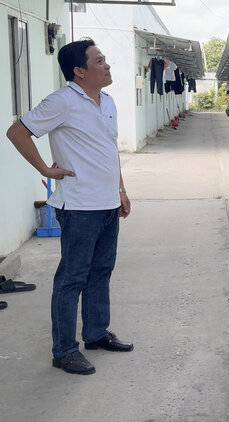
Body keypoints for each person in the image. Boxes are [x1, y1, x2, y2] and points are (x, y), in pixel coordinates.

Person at [6, 38, 134, 376]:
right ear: (79, 71)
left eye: (105, 59)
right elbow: (17, 132)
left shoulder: (107, 101)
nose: (107, 65)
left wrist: (121, 189)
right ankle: (64, 351)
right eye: (99, 60)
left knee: (101, 271)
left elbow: (109, 149)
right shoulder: (62, 101)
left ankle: (96, 333)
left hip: (107, 204)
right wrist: (45, 170)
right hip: (79, 207)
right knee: (72, 278)